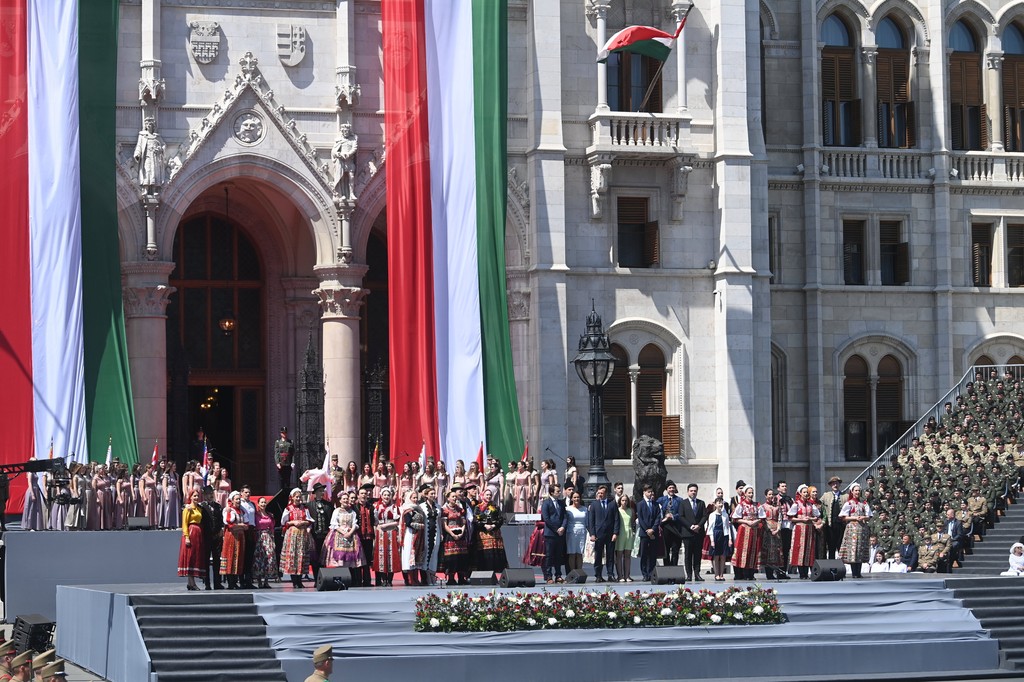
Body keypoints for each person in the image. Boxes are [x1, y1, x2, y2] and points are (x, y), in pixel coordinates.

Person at [323, 490, 365, 570]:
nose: (346, 500)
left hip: (351, 535)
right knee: (339, 558)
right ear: (340, 500)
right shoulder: (336, 511)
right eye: (344, 499)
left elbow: (355, 524)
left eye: (347, 499)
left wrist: (350, 533)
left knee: (350, 560)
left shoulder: (352, 512)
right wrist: (343, 532)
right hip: (338, 535)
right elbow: (334, 524)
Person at [587, 484, 621, 582]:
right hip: (598, 534)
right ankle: (598, 575)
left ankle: (610, 574)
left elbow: (616, 519)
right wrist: (592, 534)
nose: (600, 495)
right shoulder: (594, 505)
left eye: (602, 493)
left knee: (610, 556)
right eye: (599, 493)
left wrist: (615, 533)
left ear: (606, 493)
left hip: (610, 534)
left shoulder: (612, 503)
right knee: (598, 556)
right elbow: (591, 521)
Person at [837, 483, 872, 578]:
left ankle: (858, 572)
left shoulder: (864, 503)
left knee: (860, 549)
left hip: (862, 529)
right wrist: (854, 518)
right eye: (855, 490)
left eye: (858, 490)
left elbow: (869, 516)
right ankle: (854, 572)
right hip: (852, 528)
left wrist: (863, 517)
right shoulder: (848, 503)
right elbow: (843, 517)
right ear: (852, 492)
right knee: (853, 550)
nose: (857, 492)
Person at [280, 488, 313, 588]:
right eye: (297, 497)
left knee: (301, 556)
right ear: (293, 497)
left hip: (302, 534)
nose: (298, 498)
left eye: (300, 496)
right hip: (292, 535)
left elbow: (309, 520)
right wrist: (293, 522)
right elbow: (283, 522)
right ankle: (294, 581)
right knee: (292, 556)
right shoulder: (288, 509)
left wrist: (303, 522)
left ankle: (300, 580)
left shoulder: (305, 509)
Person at [731, 485, 764, 580]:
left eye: (752, 492)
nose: (751, 494)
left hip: (754, 530)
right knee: (743, 550)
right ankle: (742, 573)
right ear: (745, 494)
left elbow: (762, 517)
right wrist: (747, 522)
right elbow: (735, 518)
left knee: (753, 550)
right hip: (744, 530)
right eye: (749, 493)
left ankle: (751, 573)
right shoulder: (741, 505)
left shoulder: (757, 505)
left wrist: (756, 522)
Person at [787, 484, 820, 579]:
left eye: (807, 492)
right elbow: (791, 517)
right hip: (800, 529)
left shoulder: (811, 505)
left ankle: (806, 572)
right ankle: (802, 573)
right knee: (800, 549)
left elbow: (817, 515)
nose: (806, 494)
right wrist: (801, 520)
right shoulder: (796, 504)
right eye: (804, 492)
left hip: (809, 530)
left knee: (808, 549)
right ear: (800, 493)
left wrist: (811, 518)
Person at [474, 488, 509, 573]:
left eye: (490, 495)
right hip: (484, 533)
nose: (489, 496)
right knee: (485, 553)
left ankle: (497, 572)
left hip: (495, 533)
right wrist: (484, 525)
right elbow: (475, 520)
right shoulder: (478, 507)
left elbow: (501, 519)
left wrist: (493, 525)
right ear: (483, 496)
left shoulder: (495, 506)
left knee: (496, 552)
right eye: (487, 495)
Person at [373, 487, 402, 586]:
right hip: (381, 533)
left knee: (391, 555)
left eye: (388, 495)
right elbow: (375, 521)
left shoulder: (394, 507)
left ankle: (389, 580)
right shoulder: (377, 507)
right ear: (381, 496)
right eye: (384, 495)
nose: (386, 497)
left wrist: (385, 526)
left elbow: (397, 522)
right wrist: (378, 528)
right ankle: (383, 579)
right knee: (381, 555)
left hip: (391, 532)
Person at [177, 490, 204, 591]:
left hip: (198, 533)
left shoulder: (199, 509)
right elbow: (184, 524)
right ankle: (192, 583)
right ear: (190, 497)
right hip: (191, 532)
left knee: (195, 557)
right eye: (194, 496)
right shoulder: (188, 509)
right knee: (190, 557)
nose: (196, 498)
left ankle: (190, 583)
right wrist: (187, 536)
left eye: (197, 496)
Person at [679, 483, 707, 581]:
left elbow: (705, 516)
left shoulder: (701, 503)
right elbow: (681, 516)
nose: (693, 492)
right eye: (691, 491)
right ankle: (689, 575)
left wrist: (699, 526)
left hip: (698, 533)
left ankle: (697, 574)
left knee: (697, 554)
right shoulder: (683, 503)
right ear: (688, 492)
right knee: (688, 555)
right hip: (687, 533)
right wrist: (690, 526)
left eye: (695, 491)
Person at [220, 491, 247, 589]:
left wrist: (240, 526)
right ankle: (231, 582)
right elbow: (229, 524)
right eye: (237, 499)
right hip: (231, 537)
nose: (239, 501)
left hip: (239, 537)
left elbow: (247, 525)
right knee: (230, 557)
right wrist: (240, 526)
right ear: (232, 500)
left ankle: (235, 581)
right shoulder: (229, 510)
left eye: (239, 499)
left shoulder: (242, 511)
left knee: (238, 558)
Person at [540, 484, 566, 583]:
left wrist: (563, 527)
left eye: (559, 491)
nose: (559, 493)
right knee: (549, 555)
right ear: (551, 492)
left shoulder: (561, 503)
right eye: (557, 491)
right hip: (550, 533)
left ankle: (558, 575)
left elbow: (565, 516)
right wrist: (556, 529)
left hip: (560, 533)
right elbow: (546, 518)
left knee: (558, 555)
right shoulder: (546, 503)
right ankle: (548, 576)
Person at [307, 483, 333, 581]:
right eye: (320, 491)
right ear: (315, 493)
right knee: (315, 558)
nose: (322, 492)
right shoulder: (309, 505)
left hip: (325, 535)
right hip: (314, 535)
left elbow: (331, 520)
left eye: (323, 491)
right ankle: (316, 578)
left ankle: (323, 578)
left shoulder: (328, 505)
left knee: (324, 557)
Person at [759, 489, 787, 580]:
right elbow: (763, 520)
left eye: (772, 494)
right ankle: (769, 573)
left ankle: (778, 572)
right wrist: (769, 529)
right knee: (768, 552)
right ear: (766, 495)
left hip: (776, 531)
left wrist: (778, 529)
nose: (771, 496)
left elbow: (779, 519)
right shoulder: (763, 506)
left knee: (777, 552)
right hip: (767, 531)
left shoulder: (777, 507)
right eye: (769, 494)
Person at [636, 485, 662, 581]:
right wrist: (647, 530)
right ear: (644, 492)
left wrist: (653, 529)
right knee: (644, 554)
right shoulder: (640, 504)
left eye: (652, 491)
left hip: (653, 533)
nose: (651, 493)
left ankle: (651, 573)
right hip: (644, 533)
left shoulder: (655, 504)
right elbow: (641, 519)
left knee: (652, 554)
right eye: (649, 492)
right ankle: (644, 574)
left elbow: (658, 518)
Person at [400, 489, 425, 585]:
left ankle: (416, 578)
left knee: (417, 554)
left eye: (416, 498)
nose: (415, 499)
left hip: (418, 534)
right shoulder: (408, 509)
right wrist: (420, 526)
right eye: (413, 498)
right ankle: (410, 579)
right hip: (410, 534)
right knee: (410, 553)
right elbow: (408, 523)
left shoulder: (418, 508)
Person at [133, 117, 165, 191]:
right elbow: (139, 146)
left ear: (153, 126)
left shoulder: (157, 136)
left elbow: (163, 145)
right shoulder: (142, 136)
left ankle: (154, 189)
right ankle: (146, 188)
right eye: (147, 124)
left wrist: (159, 149)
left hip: (155, 157)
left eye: (150, 124)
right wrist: (137, 154)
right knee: (147, 171)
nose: (148, 125)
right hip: (147, 157)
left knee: (155, 172)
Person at [253, 496, 277, 589]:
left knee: (268, 559)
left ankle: (266, 581)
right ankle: (259, 581)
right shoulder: (256, 515)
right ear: (258, 504)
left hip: (268, 537)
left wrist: (273, 540)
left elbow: (272, 528)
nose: (263, 504)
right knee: (259, 560)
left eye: (264, 502)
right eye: (261, 502)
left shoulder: (269, 515)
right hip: (259, 537)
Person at [354, 484, 376, 586]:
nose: (364, 495)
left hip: (368, 536)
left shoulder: (370, 507)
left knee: (367, 558)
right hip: (358, 536)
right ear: (358, 495)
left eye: (365, 493)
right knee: (358, 558)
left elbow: (373, 521)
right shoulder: (354, 507)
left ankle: (367, 580)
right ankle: (358, 580)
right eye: (361, 493)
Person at [819, 476, 846, 560]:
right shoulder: (826, 496)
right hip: (830, 525)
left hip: (841, 525)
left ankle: (841, 567)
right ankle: (831, 566)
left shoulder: (845, 496)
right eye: (833, 483)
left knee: (840, 546)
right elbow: (819, 506)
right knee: (831, 546)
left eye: (837, 483)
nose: (835, 485)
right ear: (830, 485)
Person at [657, 481, 683, 567]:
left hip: (676, 527)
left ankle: (674, 567)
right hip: (665, 527)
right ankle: (667, 568)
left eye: (673, 488)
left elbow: (681, 513)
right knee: (666, 549)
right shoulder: (661, 500)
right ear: (666, 489)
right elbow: (657, 512)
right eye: (669, 488)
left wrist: (672, 516)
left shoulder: (680, 500)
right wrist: (664, 518)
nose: (671, 489)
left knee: (675, 549)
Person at [564, 490, 589, 574]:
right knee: (572, 553)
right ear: (571, 499)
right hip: (571, 532)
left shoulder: (585, 509)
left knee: (579, 553)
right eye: (574, 497)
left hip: (582, 532)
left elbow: (587, 522)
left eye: (578, 497)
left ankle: (579, 572)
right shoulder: (568, 509)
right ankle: (573, 572)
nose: (576, 499)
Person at [238, 486, 257, 589]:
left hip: (251, 530)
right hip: (243, 529)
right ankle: (241, 581)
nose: (248, 494)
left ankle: (249, 580)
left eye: (249, 492)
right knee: (243, 556)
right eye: (245, 492)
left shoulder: (252, 504)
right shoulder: (240, 504)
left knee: (250, 557)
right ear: (241, 493)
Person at [614, 492, 636, 582]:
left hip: (629, 533)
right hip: (620, 533)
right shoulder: (618, 510)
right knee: (619, 555)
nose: (624, 502)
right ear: (620, 501)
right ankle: (620, 575)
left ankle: (627, 575)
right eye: (623, 500)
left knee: (627, 555)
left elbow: (632, 522)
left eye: (626, 500)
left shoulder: (631, 510)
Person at [275, 426, 294, 492]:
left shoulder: (290, 442)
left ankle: (287, 492)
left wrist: (293, 462)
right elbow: (277, 453)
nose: (284, 434)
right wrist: (277, 462)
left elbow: (292, 453)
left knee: (288, 479)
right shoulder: (278, 442)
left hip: (288, 463)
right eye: (283, 433)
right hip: (281, 463)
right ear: (281, 434)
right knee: (281, 479)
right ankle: (281, 491)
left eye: (285, 433)